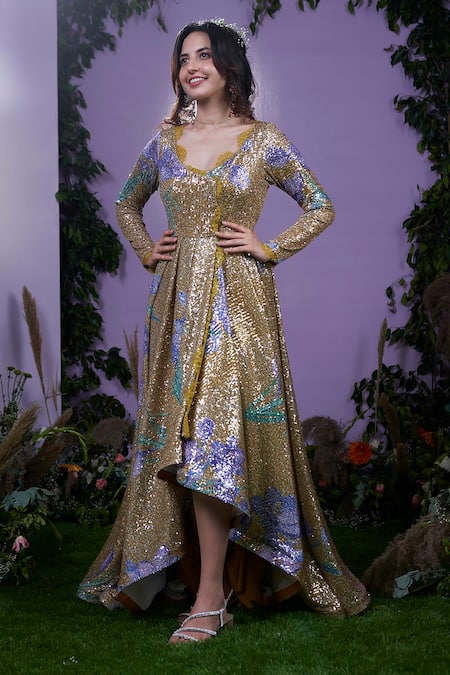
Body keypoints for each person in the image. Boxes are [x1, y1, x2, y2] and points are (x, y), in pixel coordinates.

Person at [78, 18, 370, 643]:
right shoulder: (165, 142)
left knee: (215, 439)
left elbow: (320, 205)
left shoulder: (263, 141)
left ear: (229, 65)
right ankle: (190, 575)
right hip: (177, 306)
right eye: (184, 57)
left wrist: (270, 248)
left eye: (204, 55)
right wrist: (148, 250)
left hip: (240, 308)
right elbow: (127, 202)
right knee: (185, 442)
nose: (192, 66)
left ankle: (211, 597)